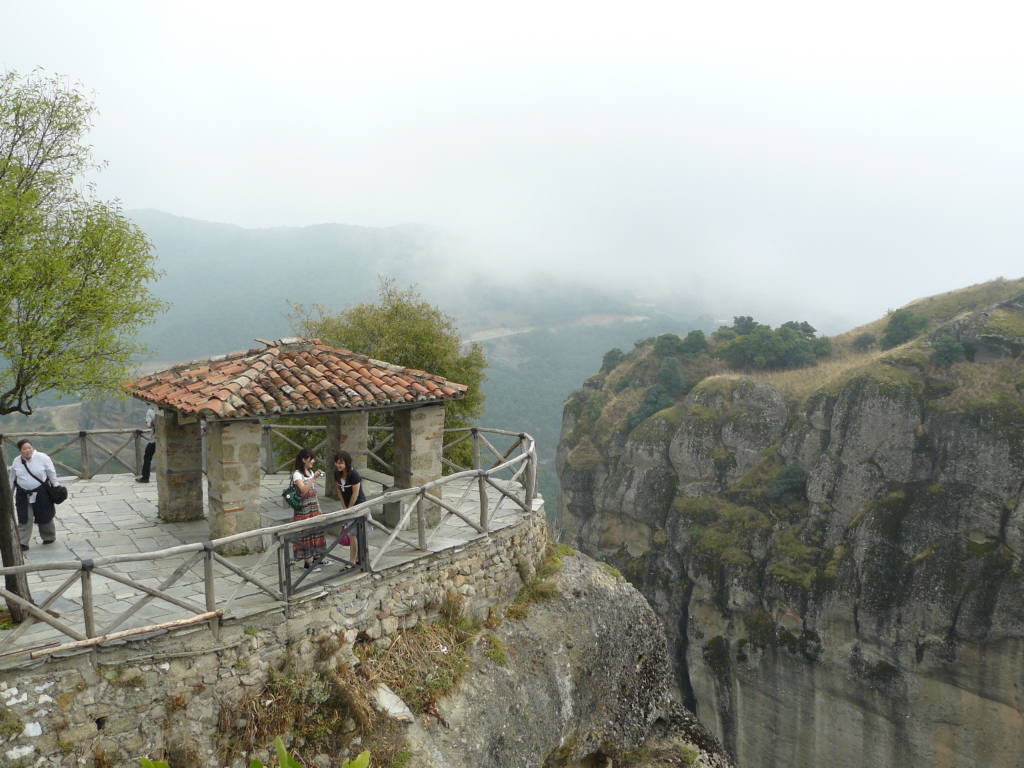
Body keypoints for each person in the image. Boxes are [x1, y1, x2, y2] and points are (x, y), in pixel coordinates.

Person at [8, 439, 58, 550]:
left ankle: (49, 536)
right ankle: (22, 542)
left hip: (41, 492)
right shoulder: (16, 461)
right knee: (25, 517)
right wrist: (9, 494)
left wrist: (56, 486)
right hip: (23, 493)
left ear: (33, 447)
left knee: (44, 514)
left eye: (29, 448)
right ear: (20, 450)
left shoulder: (42, 457)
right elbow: (12, 479)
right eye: (24, 449)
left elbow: (51, 472)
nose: (27, 450)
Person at [291, 448, 326, 570]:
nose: (313, 461)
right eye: (311, 459)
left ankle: (317, 558)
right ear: (304, 460)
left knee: (316, 532)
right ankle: (307, 562)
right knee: (305, 534)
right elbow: (304, 489)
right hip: (303, 509)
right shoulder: (297, 474)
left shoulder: (311, 472)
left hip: (312, 507)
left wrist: (318, 506)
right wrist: (314, 478)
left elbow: (313, 491)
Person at [333, 450, 365, 565]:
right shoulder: (337, 473)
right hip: (347, 507)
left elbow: (355, 494)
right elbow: (339, 490)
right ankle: (357, 559)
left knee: (353, 534)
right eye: (336, 462)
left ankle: (353, 560)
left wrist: (349, 509)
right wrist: (344, 506)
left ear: (347, 463)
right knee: (353, 534)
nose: (338, 465)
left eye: (341, 463)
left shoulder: (354, 475)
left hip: (358, 506)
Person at [135, 407, 156, 483]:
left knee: (147, 457)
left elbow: (148, 425)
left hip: (155, 439)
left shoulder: (151, 411)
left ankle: (145, 477)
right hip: (166, 438)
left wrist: (153, 424)